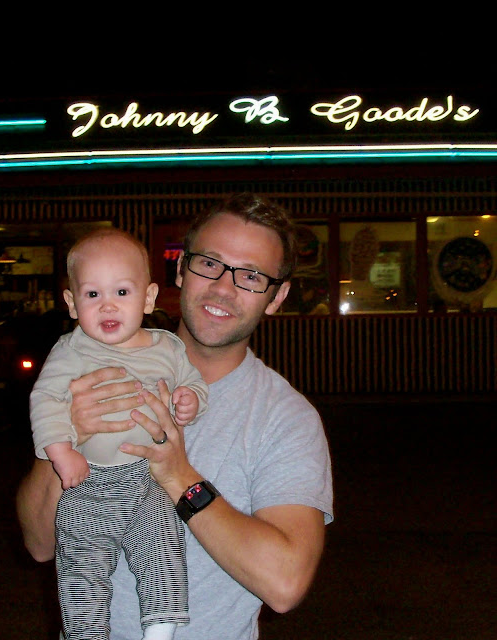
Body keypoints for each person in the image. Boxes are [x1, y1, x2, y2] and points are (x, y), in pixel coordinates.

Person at [17, 193, 334, 640]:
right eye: (210, 263)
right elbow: (39, 543)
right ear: (182, 268)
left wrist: (179, 476)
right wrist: (68, 436)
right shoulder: (86, 367)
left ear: (276, 297)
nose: (223, 288)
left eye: (250, 276)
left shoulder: (285, 418)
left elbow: (285, 584)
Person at [29, 228, 208, 640]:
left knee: (163, 547)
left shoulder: (168, 348)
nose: (107, 304)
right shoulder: (70, 351)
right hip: (87, 483)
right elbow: (45, 400)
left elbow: (194, 383)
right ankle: (86, 633)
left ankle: (161, 626)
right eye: (92, 294)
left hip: (147, 480)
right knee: (81, 568)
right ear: (71, 303)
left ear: (148, 298)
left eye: (122, 292)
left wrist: (191, 400)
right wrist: (61, 450)